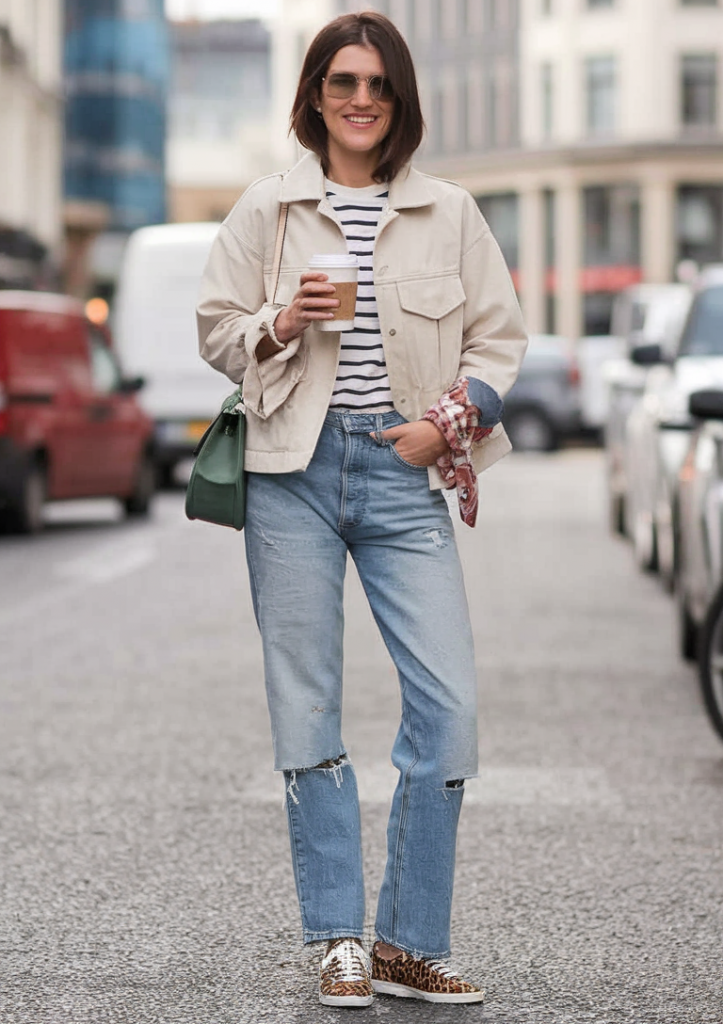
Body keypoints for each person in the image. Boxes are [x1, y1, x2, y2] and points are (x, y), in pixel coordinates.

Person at [197, 11, 527, 1009]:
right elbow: (215, 330)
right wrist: (280, 320)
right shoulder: (268, 208)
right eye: (343, 81)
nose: (361, 99)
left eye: (379, 85)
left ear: (401, 101)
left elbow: (499, 342)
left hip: (401, 467)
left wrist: (445, 423)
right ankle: (341, 939)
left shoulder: (449, 212)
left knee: (448, 708)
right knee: (307, 700)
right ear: (315, 95)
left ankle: (409, 944)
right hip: (290, 472)